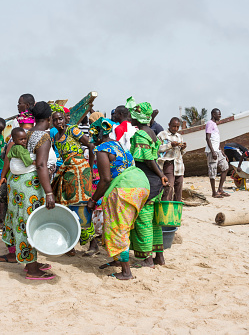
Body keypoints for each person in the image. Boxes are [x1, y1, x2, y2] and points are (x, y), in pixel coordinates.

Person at [0, 101, 56, 280]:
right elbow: (41, 164)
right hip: (29, 186)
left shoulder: (25, 133)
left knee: (20, 220)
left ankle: (31, 262)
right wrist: (49, 192)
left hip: (17, 184)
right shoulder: (43, 137)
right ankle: (31, 268)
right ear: (49, 118)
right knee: (29, 224)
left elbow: (9, 154)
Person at [87, 118, 150, 280]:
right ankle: (117, 260)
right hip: (141, 183)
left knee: (118, 228)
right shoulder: (118, 144)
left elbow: (106, 179)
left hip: (125, 188)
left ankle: (126, 271)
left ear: (97, 135)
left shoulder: (101, 149)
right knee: (122, 225)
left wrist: (93, 200)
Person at [126, 97, 169, 268]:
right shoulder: (152, 132)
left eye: (133, 114)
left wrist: (161, 175)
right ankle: (159, 257)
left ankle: (147, 259)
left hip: (148, 181)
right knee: (154, 221)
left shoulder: (141, 134)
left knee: (143, 220)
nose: (130, 117)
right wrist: (161, 177)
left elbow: (149, 160)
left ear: (140, 117)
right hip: (155, 182)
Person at [50, 104, 98, 256]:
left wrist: (89, 168)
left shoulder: (73, 130)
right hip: (67, 172)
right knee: (66, 206)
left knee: (82, 206)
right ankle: (70, 244)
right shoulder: (56, 137)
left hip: (80, 171)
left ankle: (93, 244)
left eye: (60, 119)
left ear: (64, 119)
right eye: (55, 120)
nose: (58, 122)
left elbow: (90, 146)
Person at [157, 117, 187, 202]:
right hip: (168, 164)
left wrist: (183, 148)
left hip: (179, 165)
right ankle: (166, 206)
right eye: (174, 126)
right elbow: (157, 149)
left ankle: (176, 208)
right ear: (169, 125)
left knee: (179, 188)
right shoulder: (162, 135)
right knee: (168, 187)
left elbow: (181, 153)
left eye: (178, 127)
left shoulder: (179, 136)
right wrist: (170, 145)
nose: (176, 129)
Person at [205, 108, 230, 198]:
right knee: (213, 171)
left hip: (217, 151)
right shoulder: (210, 123)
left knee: (225, 167)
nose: (220, 116)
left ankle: (220, 189)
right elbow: (208, 138)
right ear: (213, 114)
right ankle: (214, 192)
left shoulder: (215, 124)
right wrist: (213, 151)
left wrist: (222, 152)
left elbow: (215, 140)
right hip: (212, 152)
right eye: (218, 114)